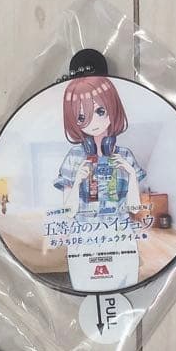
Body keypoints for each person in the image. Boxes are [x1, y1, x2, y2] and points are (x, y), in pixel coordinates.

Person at [53, 78, 145, 289]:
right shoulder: (74, 157)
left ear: (113, 110)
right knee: (85, 288)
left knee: (127, 287)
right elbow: (68, 212)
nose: (93, 122)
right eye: (82, 117)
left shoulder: (125, 156)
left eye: (100, 111)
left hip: (120, 233)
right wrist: (78, 181)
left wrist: (131, 174)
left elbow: (134, 208)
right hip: (84, 236)